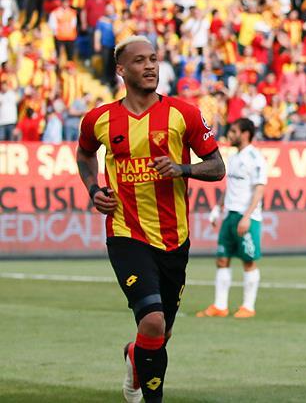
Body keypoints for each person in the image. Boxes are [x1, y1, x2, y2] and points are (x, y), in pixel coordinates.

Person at [76, 36, 225, 403]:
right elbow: (84, 154)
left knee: (160, 333)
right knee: (153, 321)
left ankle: (135, 355)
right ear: (121, 70)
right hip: (126, 232)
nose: (150, 66)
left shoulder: (184, 114)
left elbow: (217, 166)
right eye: (140, 60)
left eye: (154, 59)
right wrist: (93, 189)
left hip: (174, 238)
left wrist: (182, 168)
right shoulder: (99, 119)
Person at [198, 117, 267, 318]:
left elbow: (259, 189)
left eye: (234, 131)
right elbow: (231, 187)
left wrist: (247, 217)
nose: (230, 134)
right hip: (229, 215)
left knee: (248, 261)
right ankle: (220, 306)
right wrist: (217, 208)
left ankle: (248, 307)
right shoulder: (234, 157)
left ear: (245, 134)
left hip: (246, 217)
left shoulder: (255, 158)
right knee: (222, 259)